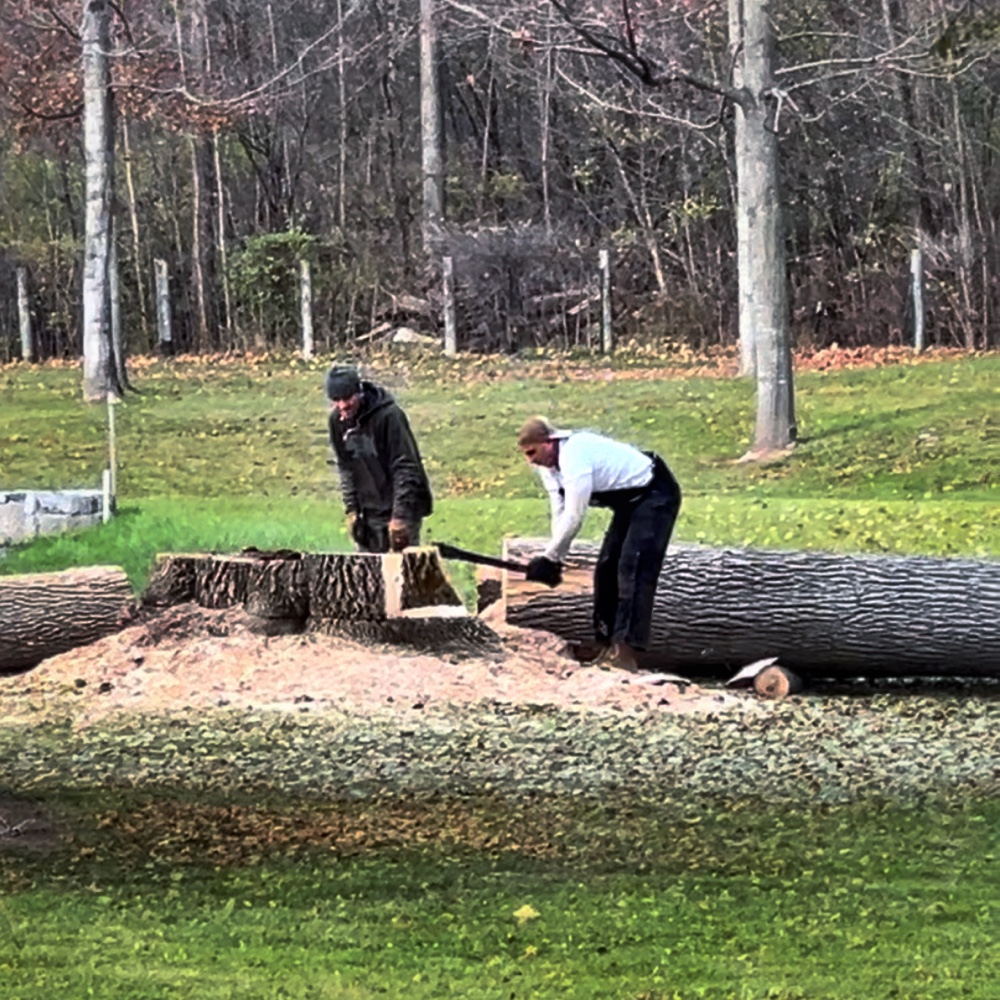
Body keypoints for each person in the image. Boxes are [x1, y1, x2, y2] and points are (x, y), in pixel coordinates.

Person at [517, 416, 681, 671]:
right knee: (606, 570)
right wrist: (555, 559)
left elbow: (574, 514)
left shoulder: (575, 455)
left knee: (633, 568)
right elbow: (559, 513)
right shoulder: (548, 468)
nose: (531, 460)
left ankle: (626, 653)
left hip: (656, 494)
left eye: (532, 452)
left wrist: (549, 556)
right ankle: (606, 647)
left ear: (549, 442)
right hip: (629, 504)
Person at [326, 365, 433, 553]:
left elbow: (405, 467)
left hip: (400, 507)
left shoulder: (389, 416)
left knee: (401, 574)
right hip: (368, 513)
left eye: (347, 398)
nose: (342, 405)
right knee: (368, 574)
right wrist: (351, 509)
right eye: (336, 400)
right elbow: (346, 467)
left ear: (359, 393)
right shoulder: (337, 422)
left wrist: (400, 517)